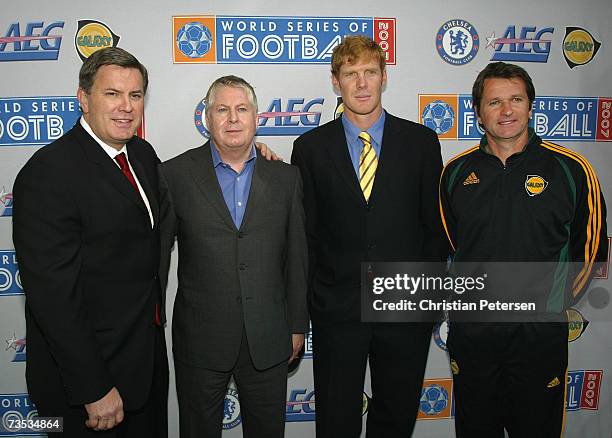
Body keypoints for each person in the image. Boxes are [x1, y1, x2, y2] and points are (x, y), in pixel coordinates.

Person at [439, 61, 608, 437]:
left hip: (538, 335)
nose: (507, 110)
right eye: (494, 102)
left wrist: (553, 300)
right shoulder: (453, 174)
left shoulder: (572, 169)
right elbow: (452, 244)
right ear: (479, 113)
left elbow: (593, 247)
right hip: (474, 334)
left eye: (516, 99)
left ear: (531, 106)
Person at [291, 35, 448, 437]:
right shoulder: (309, 148)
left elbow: (435, 230)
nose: (361, 83)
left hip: (405, 309)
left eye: (370, 73)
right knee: (335, 421)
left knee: (395, 419)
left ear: (384, 78)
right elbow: (306, 236)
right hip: (337, 310)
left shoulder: (422, 143)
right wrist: (308, 306)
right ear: (335, 82)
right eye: (350, 74)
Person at [12, 47, 168, 436]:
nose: (126, 107)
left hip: (143, 367)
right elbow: (53, 298)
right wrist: (93, 386)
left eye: (135, 95)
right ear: (83, 98)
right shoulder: (48, 173)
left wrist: (250, 155)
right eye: (112, 94)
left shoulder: (143, 155)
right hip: (86, 387)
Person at [159, 75, 308, 438]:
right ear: (207, 118)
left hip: (269, 336)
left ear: (257, 117)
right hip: (200, 338)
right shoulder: (174, 174)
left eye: (242, 109)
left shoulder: (286, 178)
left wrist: (296, 325)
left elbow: (297, 258)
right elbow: (157, 259)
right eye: (222, 110)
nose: (233, 118)